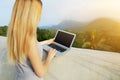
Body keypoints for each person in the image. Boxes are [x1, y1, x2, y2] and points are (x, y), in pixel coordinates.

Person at [7, 0, 56, 80]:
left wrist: (47, 42)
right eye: (38, 13)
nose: (40, 17)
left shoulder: (16, 34)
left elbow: (29, 49)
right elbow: (41, 73)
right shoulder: (30, 39)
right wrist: (49, 57)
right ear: (31, 15)